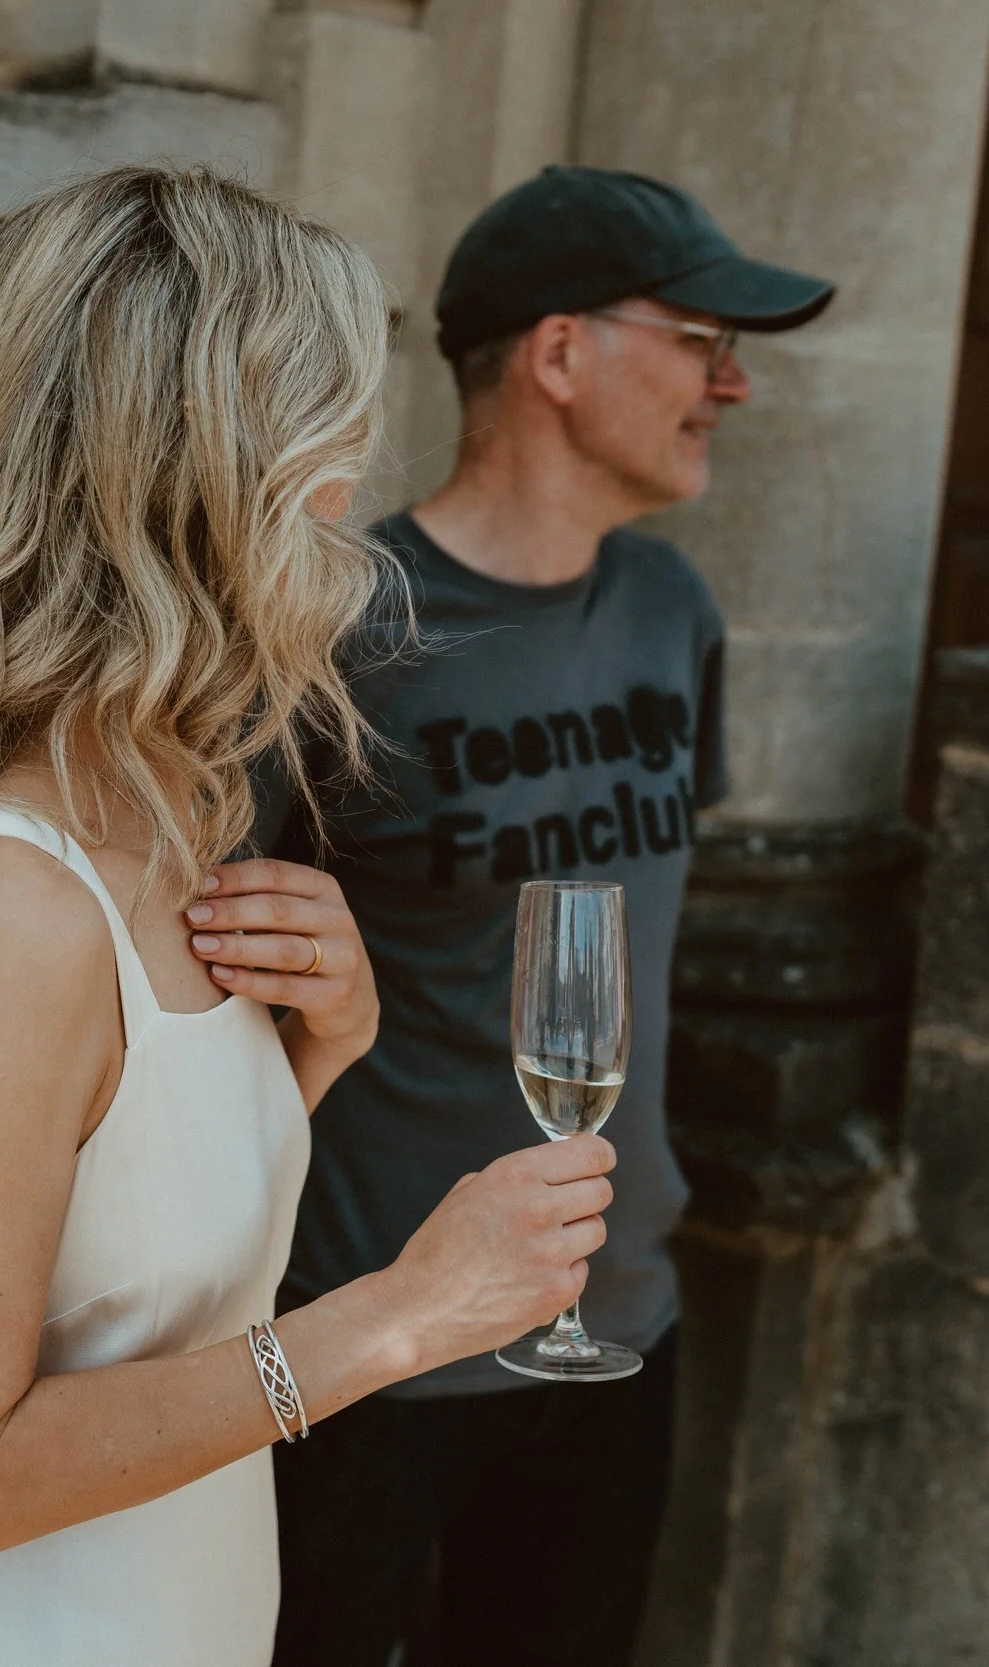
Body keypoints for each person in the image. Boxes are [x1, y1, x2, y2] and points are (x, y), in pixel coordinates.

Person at [0, 165, 618, 1667]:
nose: (348, 534)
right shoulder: (4, 909)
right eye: (324, 472)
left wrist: (319, 1050)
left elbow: (127, 1262)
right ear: (200, 488)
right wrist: (399, 1321)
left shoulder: (173, 822)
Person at [261, 166, 836, 1666]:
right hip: (374, 1332)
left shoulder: (672, 613)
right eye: (700, 337)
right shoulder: (340, 624)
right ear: (560, 353)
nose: (736, 384)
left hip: (618, 1320)